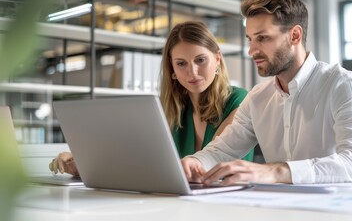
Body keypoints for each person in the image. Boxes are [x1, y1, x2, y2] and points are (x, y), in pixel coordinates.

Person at [181, 0, 352, 186]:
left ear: (295, 35)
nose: (252, 50)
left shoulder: (345, 86)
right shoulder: (257, 98)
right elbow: (222, 151)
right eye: (250, 39)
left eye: (262, 38)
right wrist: (194, 162)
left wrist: (276, 171)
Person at [49, 21, 254, 176]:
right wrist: (84, 164)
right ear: (171, 68)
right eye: (181, 63)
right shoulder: (173, 110)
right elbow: (135, 156)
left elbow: (213, 161)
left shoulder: (239, 100)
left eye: (200, 60)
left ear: (217, 58)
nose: (192, 72)